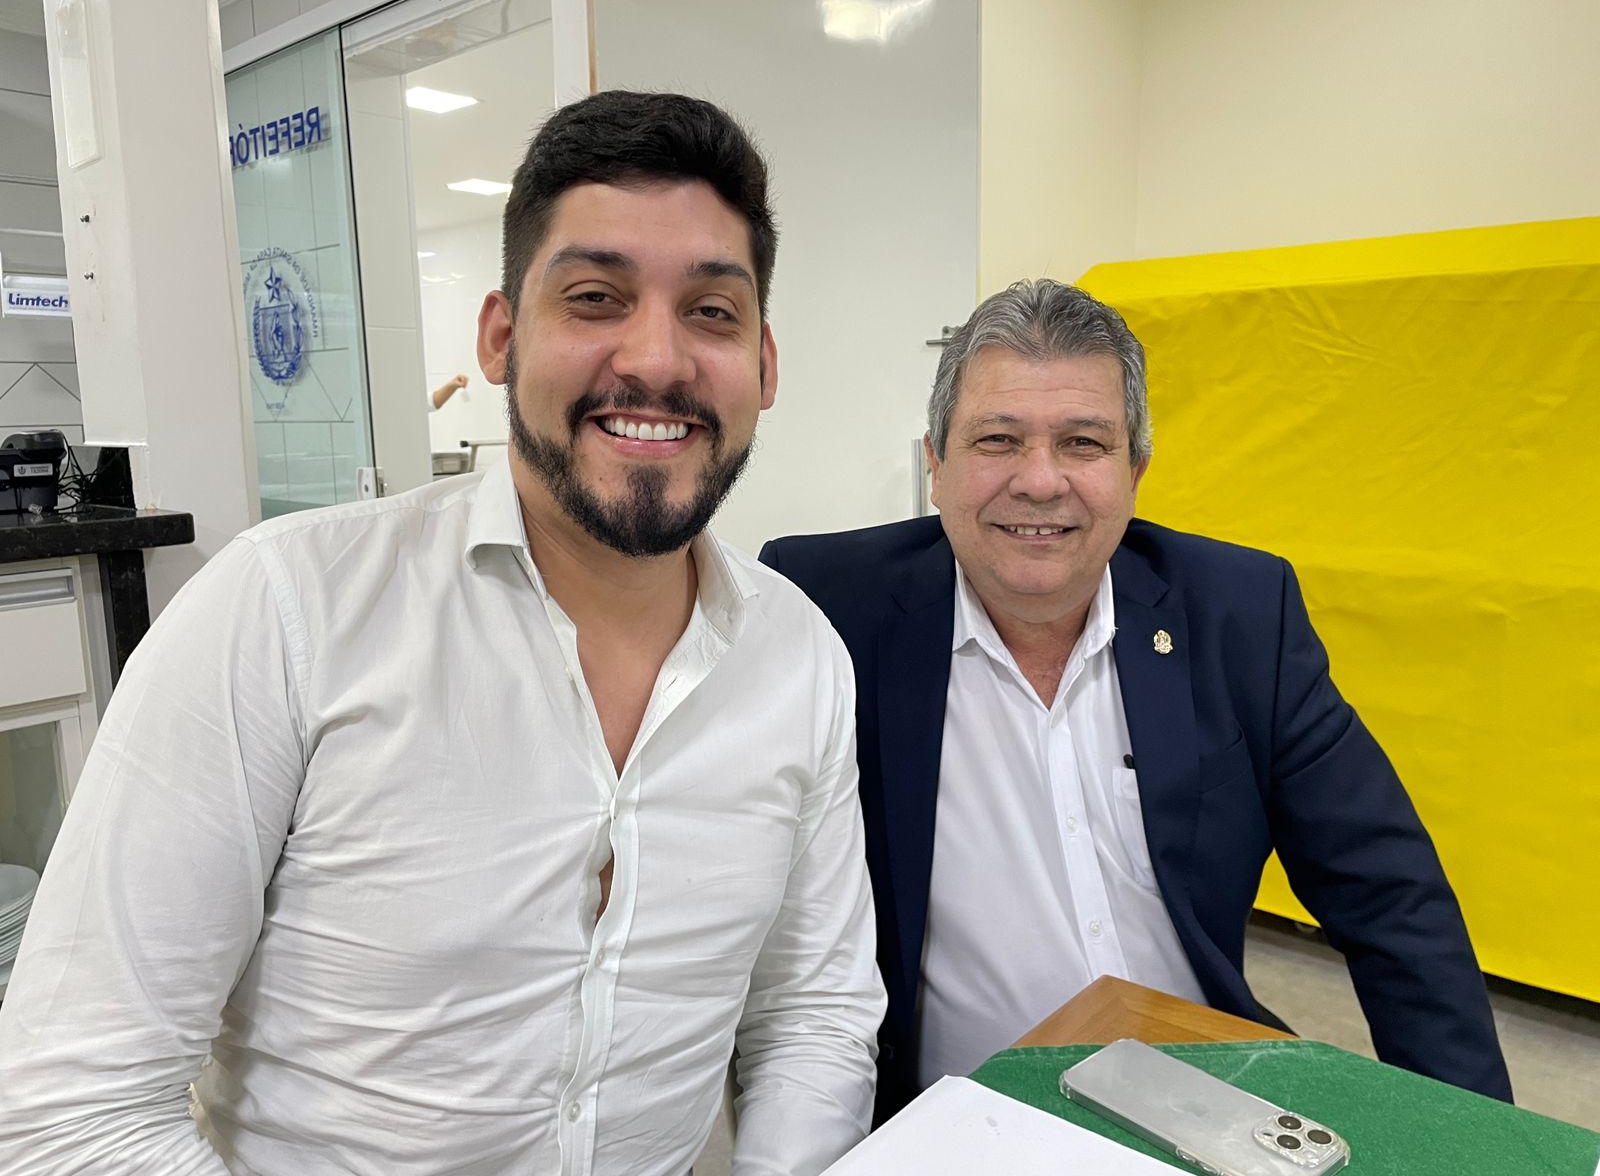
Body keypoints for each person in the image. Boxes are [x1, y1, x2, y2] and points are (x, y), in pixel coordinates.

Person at [0, 91, 884, 1175]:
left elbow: (813, 1015)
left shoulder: (799, 657)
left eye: (711, 311)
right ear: (501, 338)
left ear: (765, 365)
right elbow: (73, 1107)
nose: (657, 359)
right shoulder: (284, 612)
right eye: (596, 298)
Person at [760, 279, 1511, 1122]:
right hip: (952, 1120)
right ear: (935, 464)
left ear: (1135, 471)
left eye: (1083, 442)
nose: (1039, 481)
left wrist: (1479, 1140)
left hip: (1207, 1100)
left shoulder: (1239, 615)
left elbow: (1391, 897)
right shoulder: (827, 605)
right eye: (997, 439)